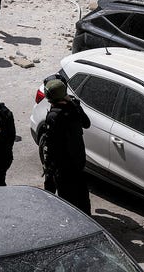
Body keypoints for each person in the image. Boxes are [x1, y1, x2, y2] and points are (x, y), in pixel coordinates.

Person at [37, 78, 92, 213]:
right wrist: (73, 103)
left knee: (68, 202)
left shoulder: (54, 116)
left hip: (64, 167)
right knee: (82, 197)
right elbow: (87, 123)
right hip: (78, 162)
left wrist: (49, 168)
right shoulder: (74, 108)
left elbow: (52, 145)